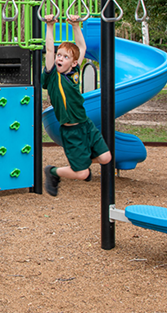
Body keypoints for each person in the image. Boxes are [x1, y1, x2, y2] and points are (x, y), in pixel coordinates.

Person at [42, 14, 112, 196]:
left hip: (85, 125)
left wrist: (75, 25)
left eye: (65, 57)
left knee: (106, 157)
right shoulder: (52, 75)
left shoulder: (74, 73)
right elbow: (49, 51)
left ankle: (82, 160)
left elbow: (82, 47)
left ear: (73, 62)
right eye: (59, 55)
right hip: (71, 131)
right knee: (82, 174)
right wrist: (50, 26)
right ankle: (52, 171)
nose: (60, 58)